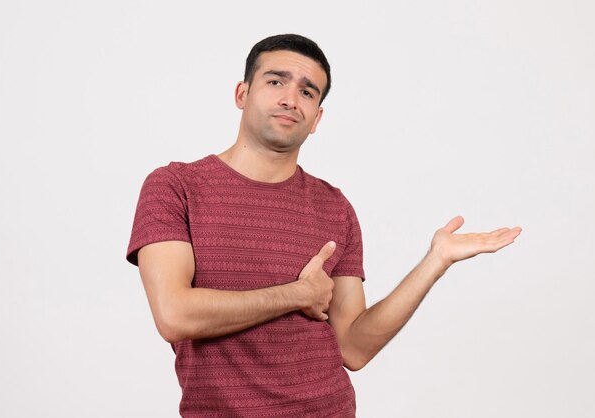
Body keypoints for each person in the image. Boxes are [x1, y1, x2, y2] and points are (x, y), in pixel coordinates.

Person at [126, 34, 522, 417]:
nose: (290, 99)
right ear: (242, 94)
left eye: (307, 92)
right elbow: (175, 315)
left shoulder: (335, 207)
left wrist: (435, 262)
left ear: (317, 118)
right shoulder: (175, 186)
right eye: (275, 81)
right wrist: (297, 294)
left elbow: (353, 348)